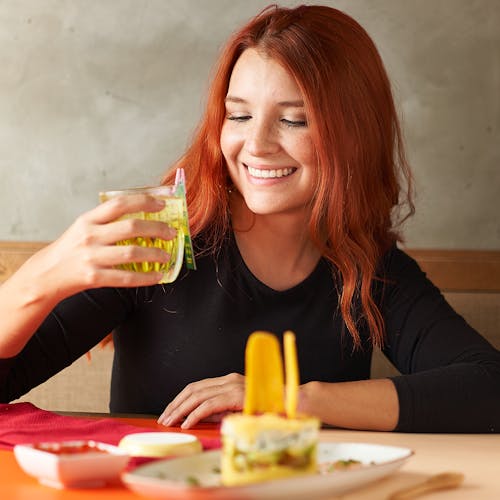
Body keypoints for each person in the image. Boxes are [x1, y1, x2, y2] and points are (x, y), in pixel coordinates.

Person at [1, 4, 499, 434]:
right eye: (238, 115)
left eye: (293, 119)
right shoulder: (162, 240)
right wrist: (42, 275)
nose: (256, 145)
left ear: (355, 134)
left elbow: (487, 387)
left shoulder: (368, 267)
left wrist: (287, 400)